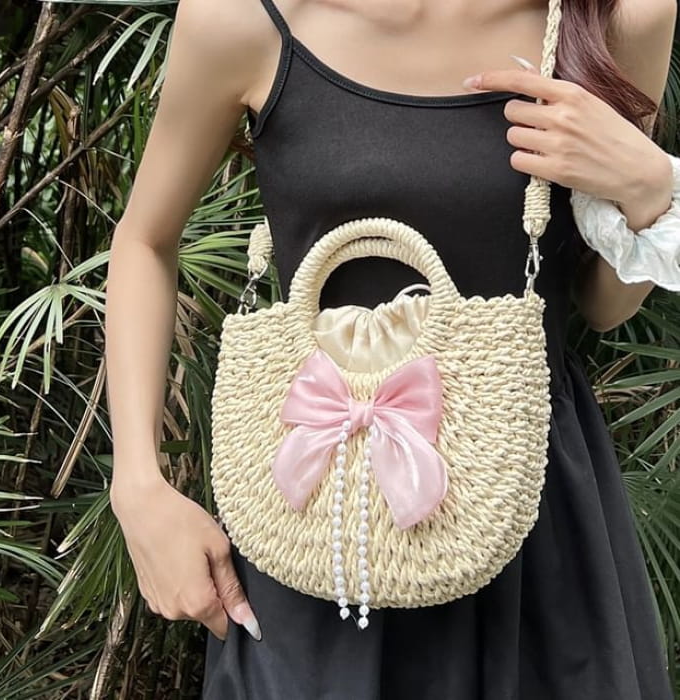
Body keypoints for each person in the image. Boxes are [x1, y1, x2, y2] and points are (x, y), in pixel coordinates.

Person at [104, 0, 678, 697]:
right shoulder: (244, 19)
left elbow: (602, 305)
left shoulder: (617, 16)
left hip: (531, 507)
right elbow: (145, 239)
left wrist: (650, 190)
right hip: (317, 504)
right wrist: (138, 487)